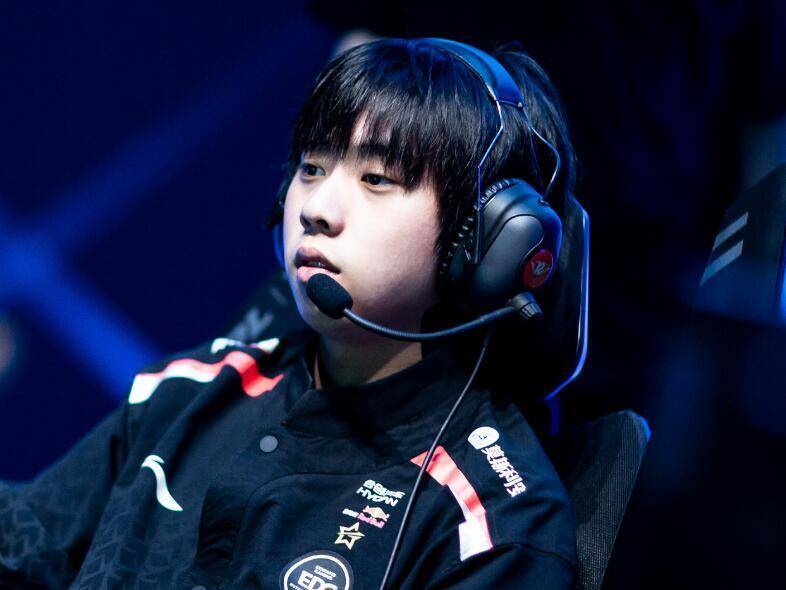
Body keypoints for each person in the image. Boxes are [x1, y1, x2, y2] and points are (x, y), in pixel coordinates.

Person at [0, 38, 578, 589]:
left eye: (376, 179)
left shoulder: (492, 525)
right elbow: (24, 551)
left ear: (481, 242)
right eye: (312, 168)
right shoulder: (186, 392)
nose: (316, 209)